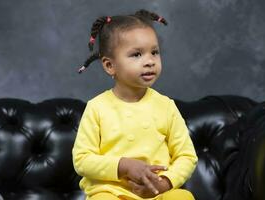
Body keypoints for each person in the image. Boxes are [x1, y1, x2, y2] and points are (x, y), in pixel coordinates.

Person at [72, 9, 198, 200]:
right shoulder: (97, 108)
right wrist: (124, 165)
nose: (149, 61)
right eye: (137, 54)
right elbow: (82, 160)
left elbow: (187, 156)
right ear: (109, 66)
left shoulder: (166, 106)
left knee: (183, 197)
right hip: (112, 192)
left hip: (155, 192)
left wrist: (165, 182)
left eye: (154, 52)